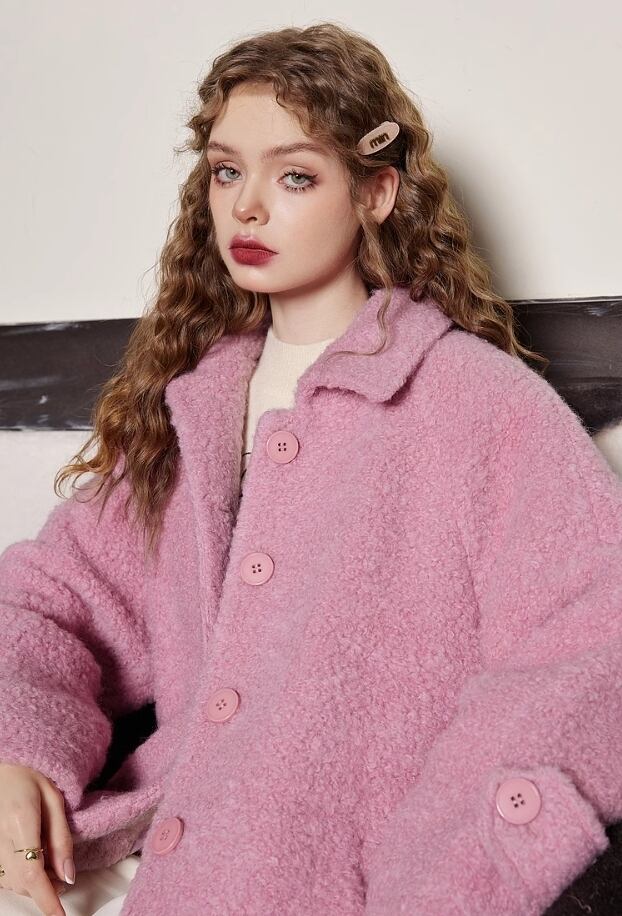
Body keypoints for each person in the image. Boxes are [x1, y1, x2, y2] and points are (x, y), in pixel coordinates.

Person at [2, 20, 622, 916]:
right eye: (227, 172)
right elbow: (50, 601)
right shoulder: (192, 412)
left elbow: (595, 645)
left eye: (294, 176)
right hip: (153, 868)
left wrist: (453, 871)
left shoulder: (477, 403)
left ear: (376, 192)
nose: (247, 208)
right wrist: (17, 751)